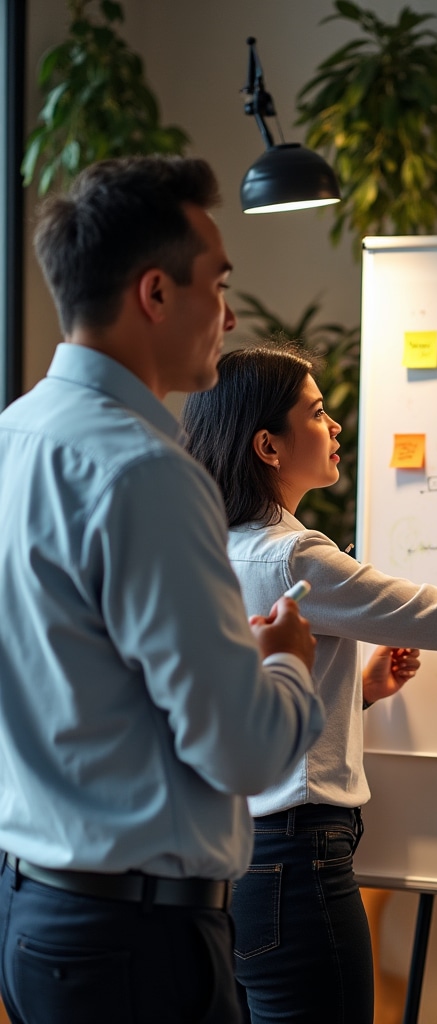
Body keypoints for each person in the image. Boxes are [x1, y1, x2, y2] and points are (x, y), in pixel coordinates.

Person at [0, 157, 325, 1024]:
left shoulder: (13, 438)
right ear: (155, 294)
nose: (227, 315)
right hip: (134, 946)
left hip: (38, 916)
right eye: (217, 285)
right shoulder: (146, 471)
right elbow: (245, 752)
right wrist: (289, 665)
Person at [180, 343, 437, 1024]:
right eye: (316, 414)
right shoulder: (295, 556)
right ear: (268, 446)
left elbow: (238, 702)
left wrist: (360, 693)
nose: (336, 426)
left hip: (227, 859)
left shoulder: (207, 547)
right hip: (296, 856)